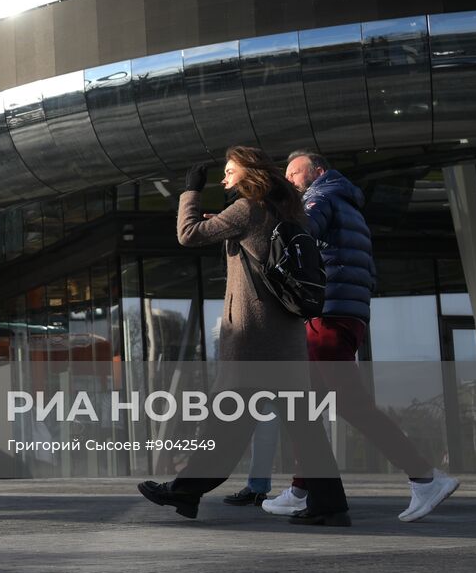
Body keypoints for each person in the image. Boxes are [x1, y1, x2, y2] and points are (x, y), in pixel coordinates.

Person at [138, 146, 352, 527]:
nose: (224, 178)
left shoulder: (248, 207)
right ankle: (331, 505)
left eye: (229, 171)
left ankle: (185, 492)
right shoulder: (288, 207)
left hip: (253, 340)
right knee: (299, 426)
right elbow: (258, 244)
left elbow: (187, 235)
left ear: (248, 173)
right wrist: (223, 223)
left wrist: (191, 191)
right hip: (285, 339)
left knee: (227, 421)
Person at [260, 150, 459, 523]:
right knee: (304, 407)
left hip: (330, 315)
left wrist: (260, 223)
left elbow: (302, 234)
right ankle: (302, 489)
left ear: (317, 171)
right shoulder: (346, 202)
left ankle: (426, 477)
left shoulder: (320, 197)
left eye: (293, 173)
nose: (289, 180)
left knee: (351, 405)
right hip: (344, 313)